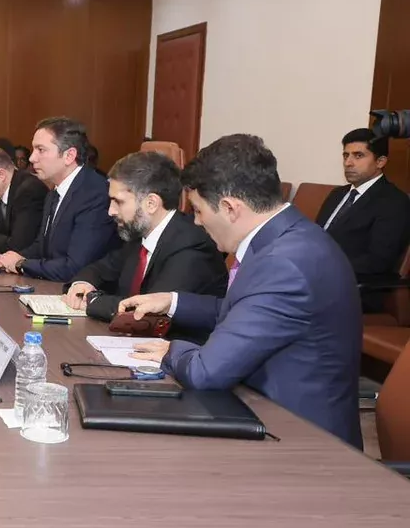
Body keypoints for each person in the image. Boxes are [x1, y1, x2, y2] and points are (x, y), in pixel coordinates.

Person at [123, 134, 363, 448]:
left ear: (229, 208)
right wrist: (172, 301)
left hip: (301, 441)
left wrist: (171, 351)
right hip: (265, 409)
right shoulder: (289, 237)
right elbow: (245, 312)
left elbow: (206, 371)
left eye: (198, 211)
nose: (196, 222)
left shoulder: (283, 263)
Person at [62, 151, 227, 333]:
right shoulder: (139, 236)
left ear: (151, 203)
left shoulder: (192, 244)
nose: (111, 211)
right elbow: (100, 269)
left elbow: (147, 311)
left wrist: (92, 300)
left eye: (118, 202)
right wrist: (82, 284)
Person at [0, 117, 120, 281]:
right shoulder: (54, 192)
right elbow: (42, 246)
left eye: (40, 150)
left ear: (69, 155)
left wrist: (21, 264)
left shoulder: (94, 194)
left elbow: (75, 267)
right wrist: (11, 258)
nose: (32, 158)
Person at [315, 128, 410, 313]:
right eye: (346, 155)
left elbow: (378, 260)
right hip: (314, 277)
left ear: (380, 161)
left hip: (354, 288)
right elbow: (316, 235)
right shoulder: (337, 194)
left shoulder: (394, 201)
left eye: (358, 156)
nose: (348, 163)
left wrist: (324, 267)